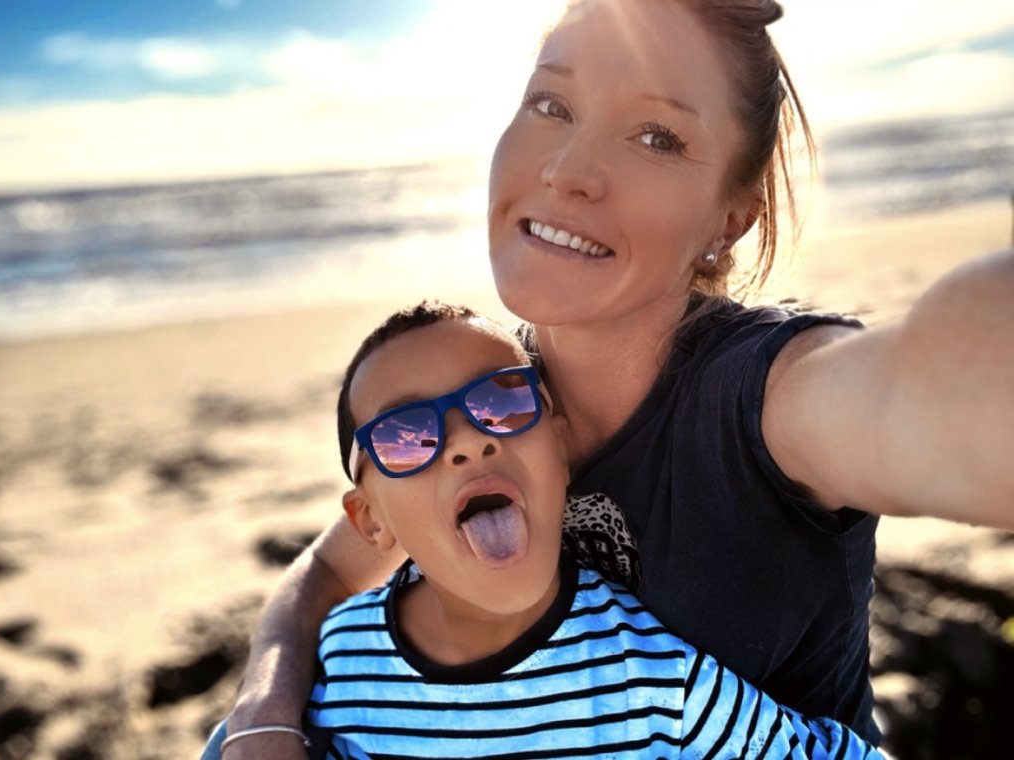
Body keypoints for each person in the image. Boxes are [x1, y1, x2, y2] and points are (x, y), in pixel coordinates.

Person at [220, 1, 1014, 757]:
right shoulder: (489, 402)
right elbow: (329, 570)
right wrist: (261, 715)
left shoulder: (767, 397)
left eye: (656, 137)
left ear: (729, 218)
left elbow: (926, 393)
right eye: (551, 104)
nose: (568, 170)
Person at [210, 300, 883, 759]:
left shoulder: (657, 685)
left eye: (501, 401)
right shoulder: (336, 663)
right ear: (369, 520)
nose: (467, 441)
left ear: (562, 447)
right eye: (407, 435)